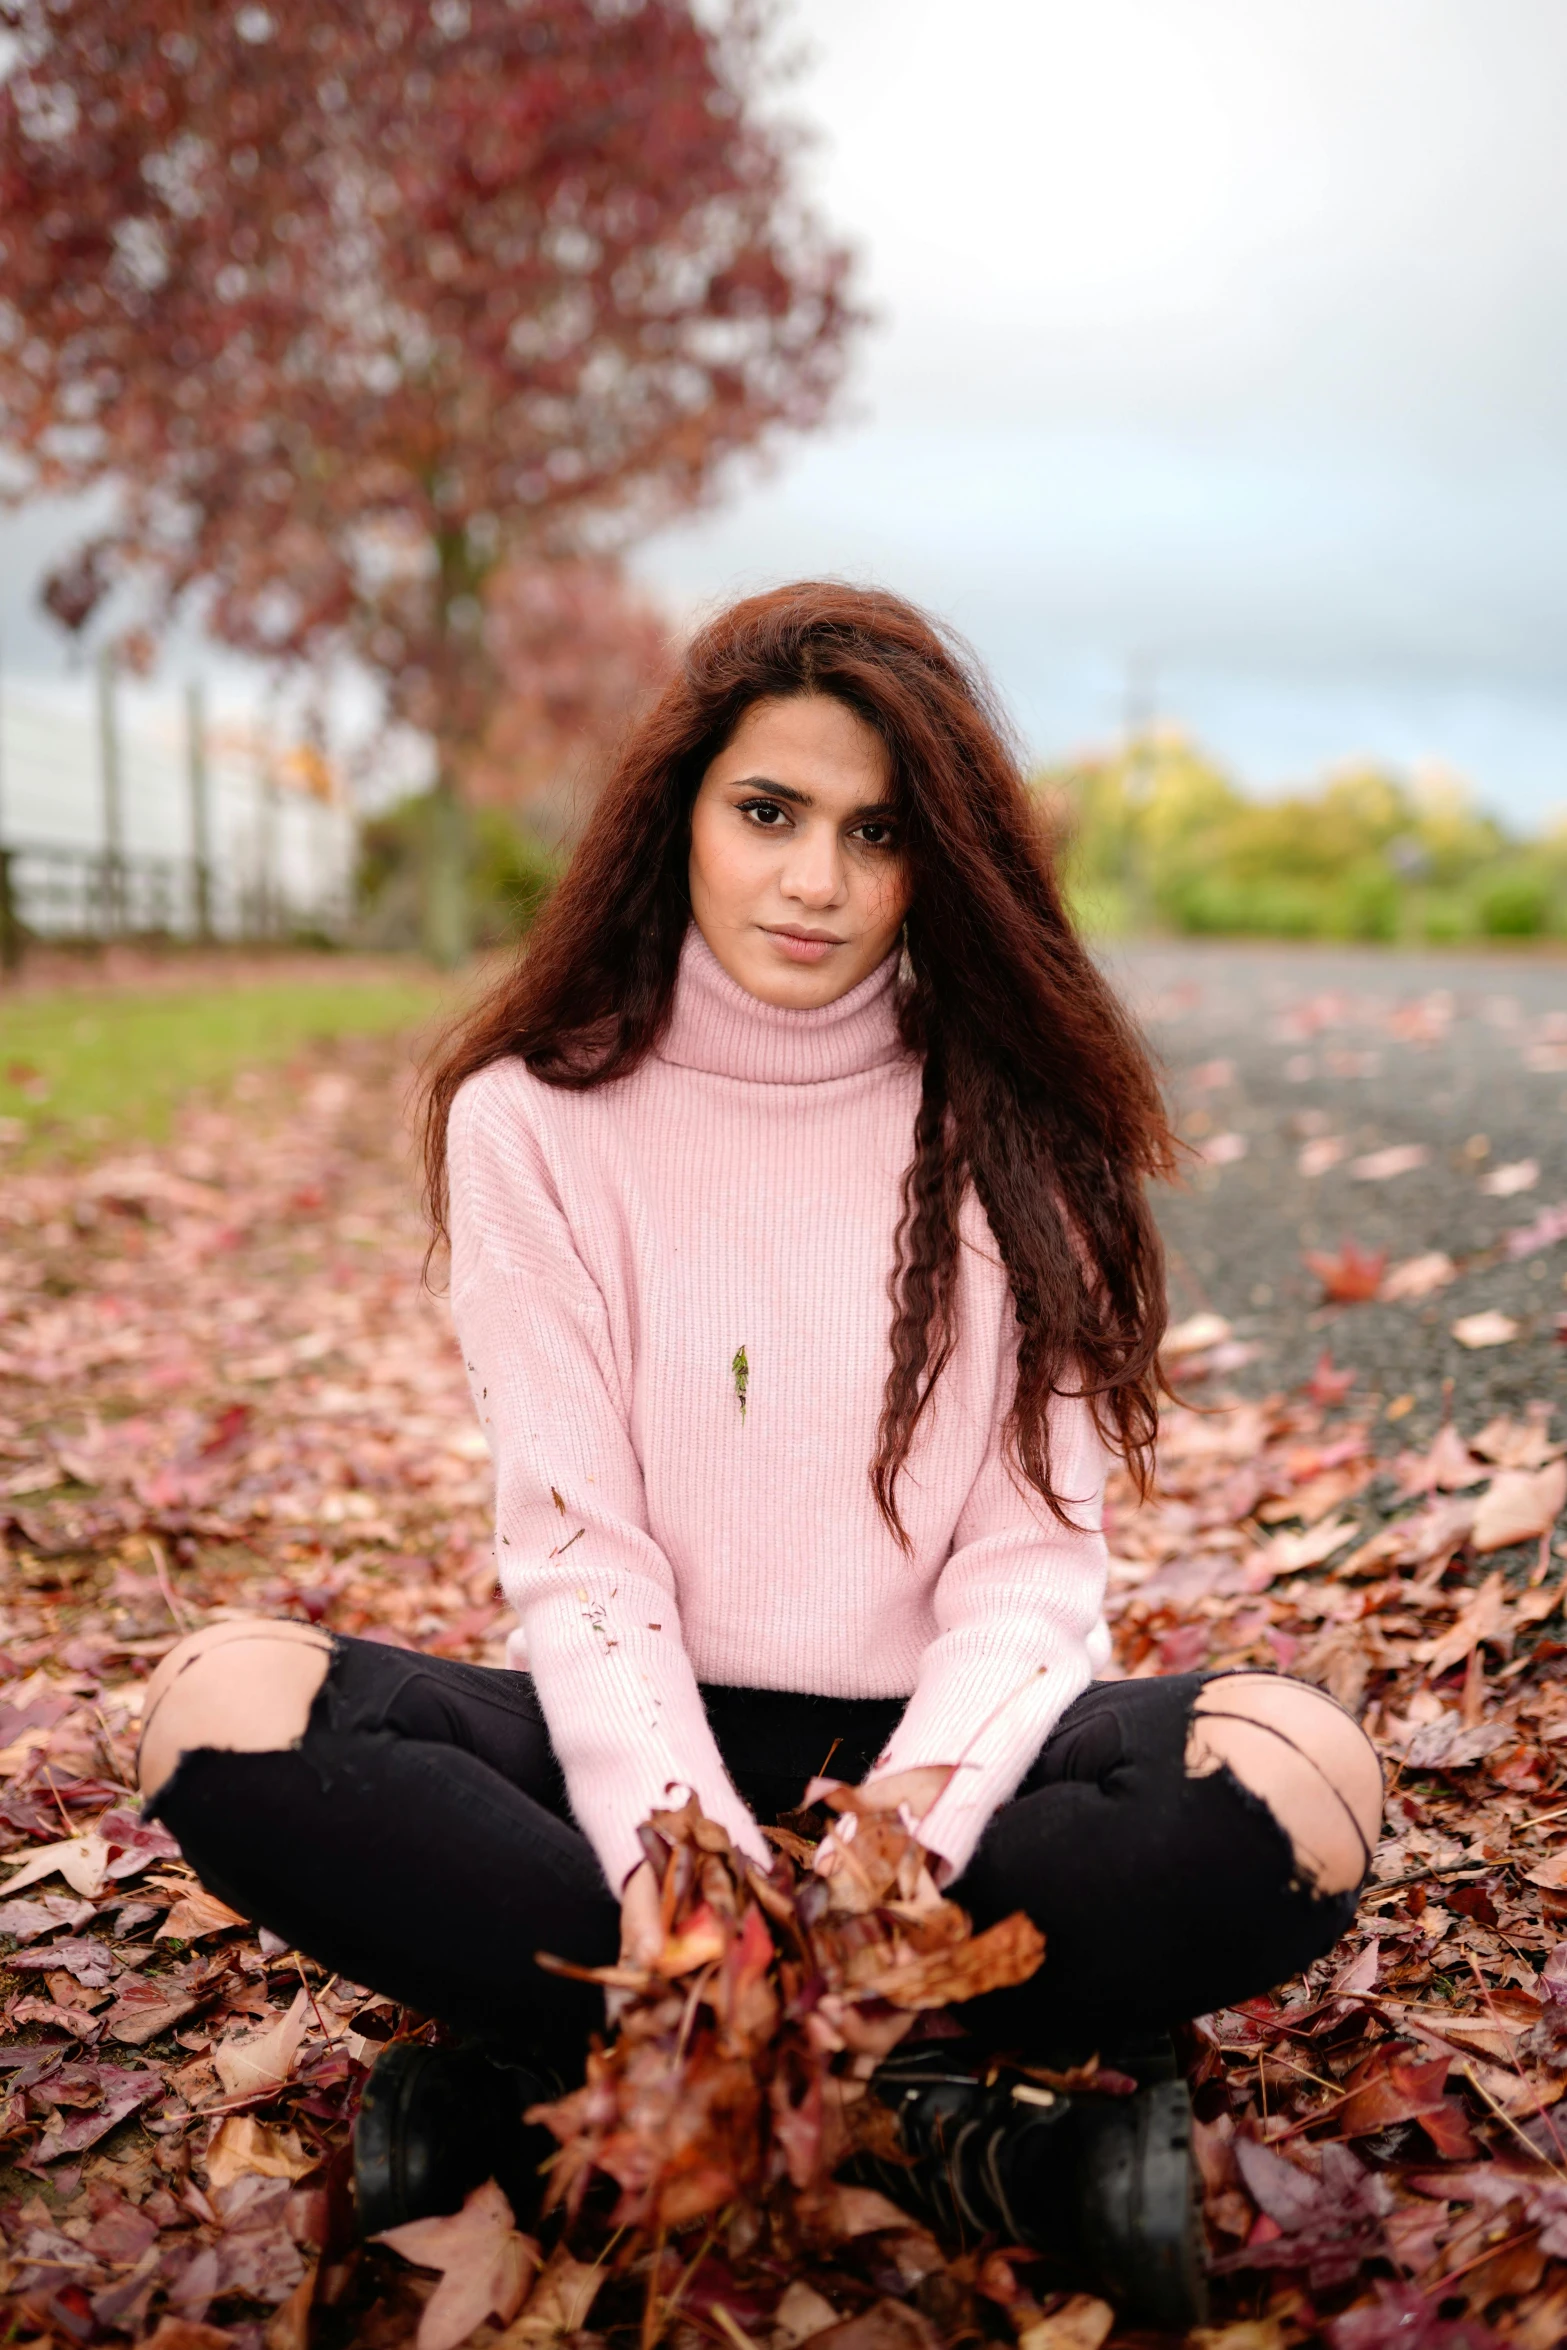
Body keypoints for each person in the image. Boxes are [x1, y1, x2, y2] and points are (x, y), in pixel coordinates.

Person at [138, 585, 1381, 2325]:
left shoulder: (1024, 1119)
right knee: (222, 1707)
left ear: (935, 861)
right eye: (767, 812)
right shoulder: (533, 1118)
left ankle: (573, 2102)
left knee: (1302, 1781)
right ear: (680, 816)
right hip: (636, 1753)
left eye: (873, 833)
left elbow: (1033, 1574)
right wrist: (677, 1862)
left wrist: (897, 1855)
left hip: (959, 1773)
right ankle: (953, 2125)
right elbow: (581, 1556)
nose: (813, 879)